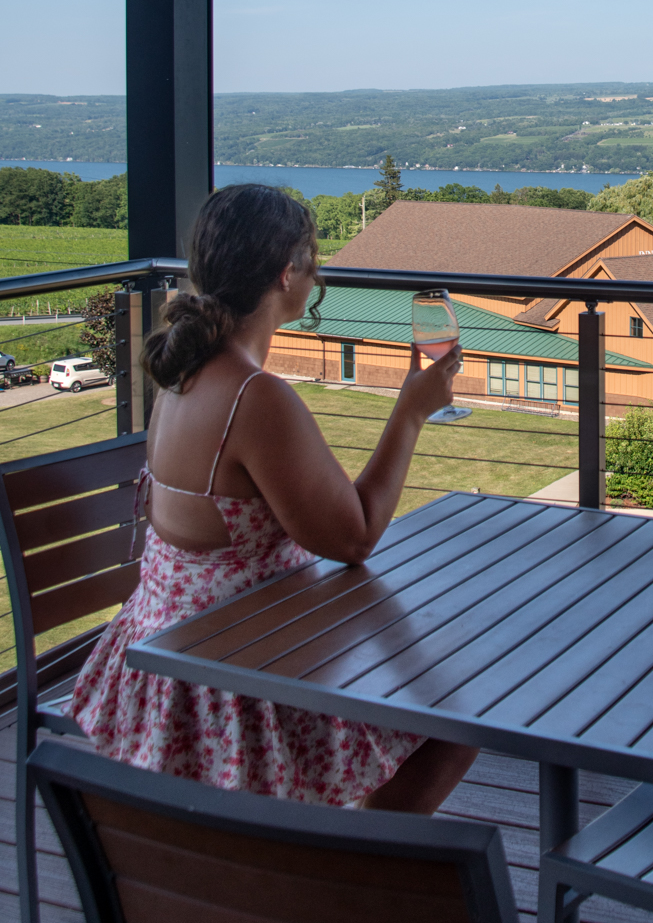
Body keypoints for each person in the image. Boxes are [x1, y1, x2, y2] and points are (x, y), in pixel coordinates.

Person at [70, 183, 476, 813]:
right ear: (288, 274)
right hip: (236, 682)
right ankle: (356, 877)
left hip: (168, 656)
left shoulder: (184, 373)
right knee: (454, 720)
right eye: (313, 261)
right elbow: (354, 537)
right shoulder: (255, 397)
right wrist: (411, 413)